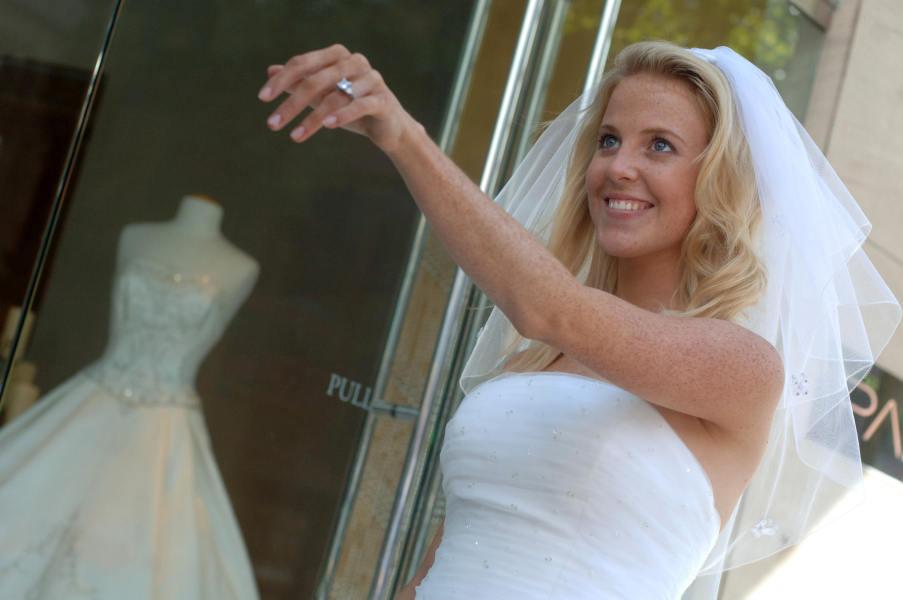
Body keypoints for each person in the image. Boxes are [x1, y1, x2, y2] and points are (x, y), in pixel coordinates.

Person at [258, 41, 899, 599]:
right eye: (609, 140)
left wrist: (403, 136)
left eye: (660, 146)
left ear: (721, 180)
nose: (619, 166)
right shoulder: (524, 365)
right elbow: (438, 569)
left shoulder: (741, 366)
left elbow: (552, 308)